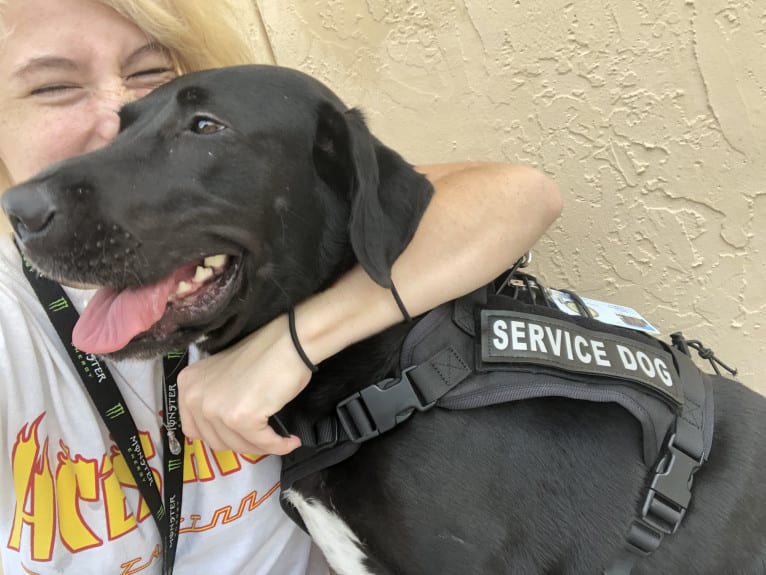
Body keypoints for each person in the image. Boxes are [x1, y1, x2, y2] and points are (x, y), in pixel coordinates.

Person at [0, 0, 562, 573]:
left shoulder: (285, 223)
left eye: (149, 74)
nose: (117, 115)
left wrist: (292, 343)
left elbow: (521, 194)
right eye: (53, 86)